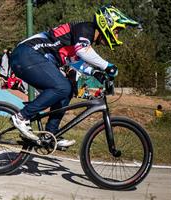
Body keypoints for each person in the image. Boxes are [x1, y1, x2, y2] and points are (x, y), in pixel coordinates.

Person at [10, 5, 139, 148]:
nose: (117, 36)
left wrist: (96, 73)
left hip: (30, 58)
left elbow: (75, 61)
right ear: (107, 23)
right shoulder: (86, 29)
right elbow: (83, 51)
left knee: (67, 91)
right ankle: (21, 117)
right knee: (62, 87)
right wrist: (107, 66)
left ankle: (50, 134)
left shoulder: (82, 37)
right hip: (27, 54)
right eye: (117, 31)